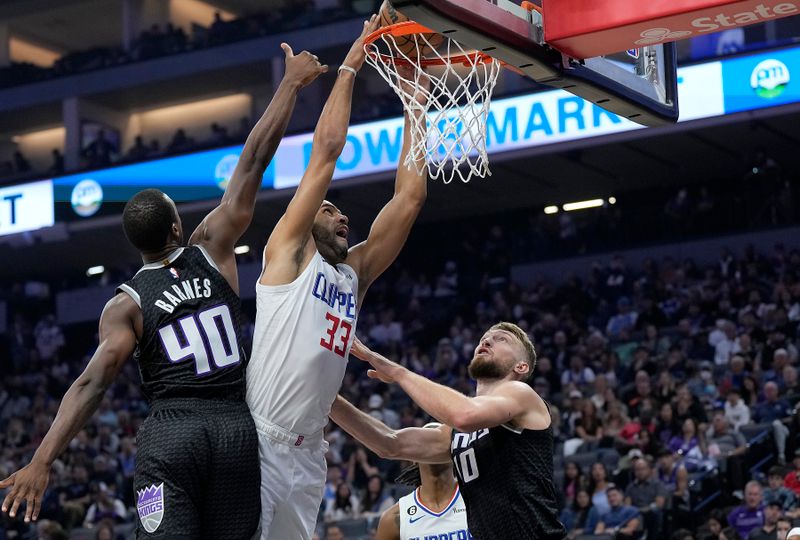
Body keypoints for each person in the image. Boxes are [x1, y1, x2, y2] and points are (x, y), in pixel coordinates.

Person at [0, 43, 327, 538]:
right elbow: (254, 160)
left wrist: (42, 460)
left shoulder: (126, 304)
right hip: (234, 428)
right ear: (177, 228)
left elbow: (93, 383)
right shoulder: (211, 248)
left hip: (174, 433)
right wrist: (290, 84)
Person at [246, 15, 429, 540]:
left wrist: (415, 103)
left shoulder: (354, 274)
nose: (342, 215)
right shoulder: (286, 254)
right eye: (328, 209)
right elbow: (325, 153)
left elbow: (409, 199)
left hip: (310, 453)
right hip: (260, 440)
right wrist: (352, 63)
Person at [330, 323, 566, 539]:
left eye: (501, 339)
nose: (486, 341)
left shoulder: (521, 394)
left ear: (521, 366)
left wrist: (398, 372)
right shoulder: (457, 434)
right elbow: (389, 444)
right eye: (484, 338)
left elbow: (464, 415)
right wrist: (323, 396)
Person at [375, 423, 470, 540]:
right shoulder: (394, 518)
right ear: (414, 458)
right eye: (426, 443)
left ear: (453, 451)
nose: (432, 448)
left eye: (438, 442)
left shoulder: (479, 499)